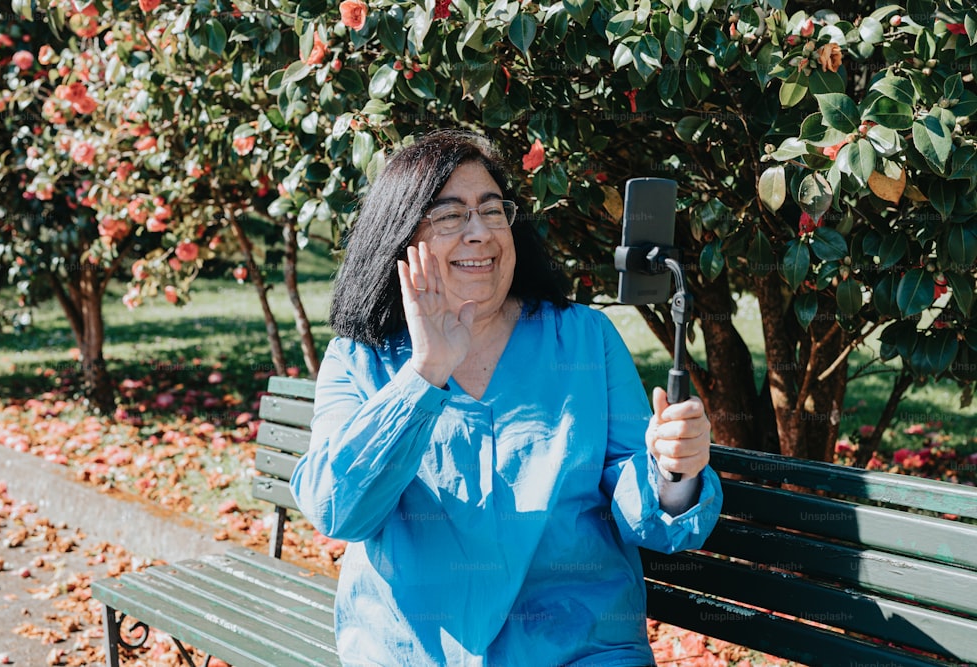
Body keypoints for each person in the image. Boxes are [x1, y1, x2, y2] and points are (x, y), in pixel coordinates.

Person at [290, 129, 723, 666]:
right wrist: (424, 375)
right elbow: (339, 509)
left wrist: (674, 472)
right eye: (449, 215)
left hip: (579, 651)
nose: (480, 233)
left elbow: (643, 500)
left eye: (493, 210)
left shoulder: (584, 340)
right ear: (400, 238)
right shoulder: (359, 359)